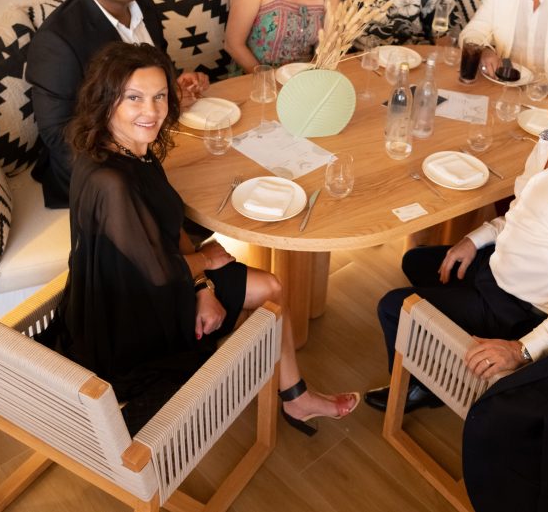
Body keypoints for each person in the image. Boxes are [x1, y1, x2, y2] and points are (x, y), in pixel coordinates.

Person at [38, 42, 359, 435]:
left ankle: (296, 398)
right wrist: (206, 261)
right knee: (268, 290)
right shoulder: (111, 182)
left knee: (271, 288)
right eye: (134, 98)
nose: (151, 111)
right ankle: (268, 389)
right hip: (128, 322)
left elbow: (170, 228)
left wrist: (203, 286)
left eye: (159, 96)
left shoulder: (132, 150)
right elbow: (158, 274)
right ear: (108, 101)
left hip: (155, 284)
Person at [364, 54, 548, 413]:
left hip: (520, 309)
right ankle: (443, 346)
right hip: (499, 268)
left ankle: (422, 388)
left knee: (393, 307)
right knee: (416, 261)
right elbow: (522, 212)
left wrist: (521, 349)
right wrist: (475, 239)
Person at [26, 0, 209, 208]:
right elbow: (58, 135)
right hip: (102, 169)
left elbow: (153, 68)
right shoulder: (58, 40)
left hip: (156, 139)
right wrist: (131, 169)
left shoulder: (144, 4)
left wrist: (173, 86)